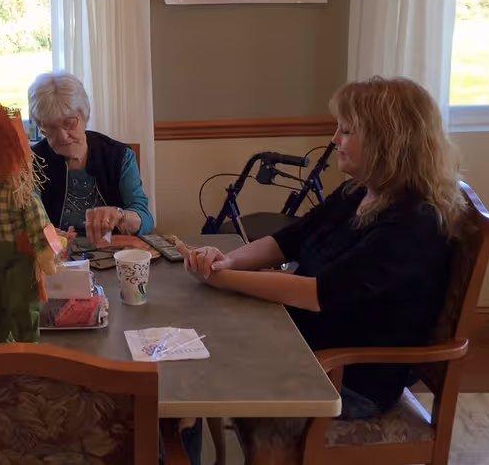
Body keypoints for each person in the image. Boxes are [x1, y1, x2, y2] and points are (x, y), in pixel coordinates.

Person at [183, 76, 466, 420]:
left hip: (346, 379)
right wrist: (227, 261)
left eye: (347, 131)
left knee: (195, 369)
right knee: (195, 349)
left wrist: (222, 277)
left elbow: (316, 294)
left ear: (387, 140)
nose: (335, 140)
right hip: (307, 347)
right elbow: (289, 240)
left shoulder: (414, 223)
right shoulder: (359, 192)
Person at [29, 72, 155, 244]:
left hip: (113, 255)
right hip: (58, 259)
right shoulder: (32, 163)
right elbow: (29, 224)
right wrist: (46, 235)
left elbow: (145, 219)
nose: (63, 136)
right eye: (50, 127)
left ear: (85, 114)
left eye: (69, 123)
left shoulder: (119, 156)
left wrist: (120, 215)